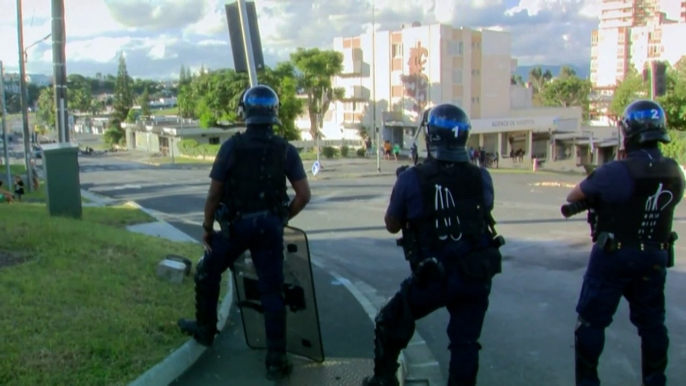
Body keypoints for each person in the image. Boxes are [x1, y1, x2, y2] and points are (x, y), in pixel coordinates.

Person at [362, 103, 503, 386]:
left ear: (431, 136)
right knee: (466, 343)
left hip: (435, 274)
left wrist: (404, 187)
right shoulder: (481, 176)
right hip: (476, 272)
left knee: (390, 320)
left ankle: (384, 380)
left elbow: (392, 224)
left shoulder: (412, 178)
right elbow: (483, 208)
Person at [177, 84, 311, 380]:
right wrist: (281, 219)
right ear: (274, 114)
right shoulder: (286, 150)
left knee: (207, 271)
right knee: (272, 291)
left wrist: (206, 227)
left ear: (245, 113)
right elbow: (303, 194)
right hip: (269, 230)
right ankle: (276, 360)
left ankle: (205, 331)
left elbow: (213, 196)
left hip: (236, 227)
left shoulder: (231, 147)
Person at [565, 100, 684, 386]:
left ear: (628, 132)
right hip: (654, 256)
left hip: (614, 255)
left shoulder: (616, 171)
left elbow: (574, 196)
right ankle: (655, 380)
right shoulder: (674, 171)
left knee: (592, 323)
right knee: (653, 325)